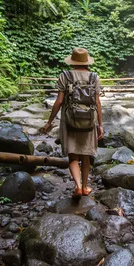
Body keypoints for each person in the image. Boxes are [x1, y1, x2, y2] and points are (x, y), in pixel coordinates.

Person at [40, 48, 103, 198]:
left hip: (70, 120)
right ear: (87, 61)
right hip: (88, 121)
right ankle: (86, 187)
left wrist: (49, 122)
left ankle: (78, 186)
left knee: (73, 156)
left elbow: (59, 101)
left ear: (73, 62)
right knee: (86, 155)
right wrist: (100, 124)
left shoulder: (65, 76)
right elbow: (97, 102)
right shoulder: (94, 77)